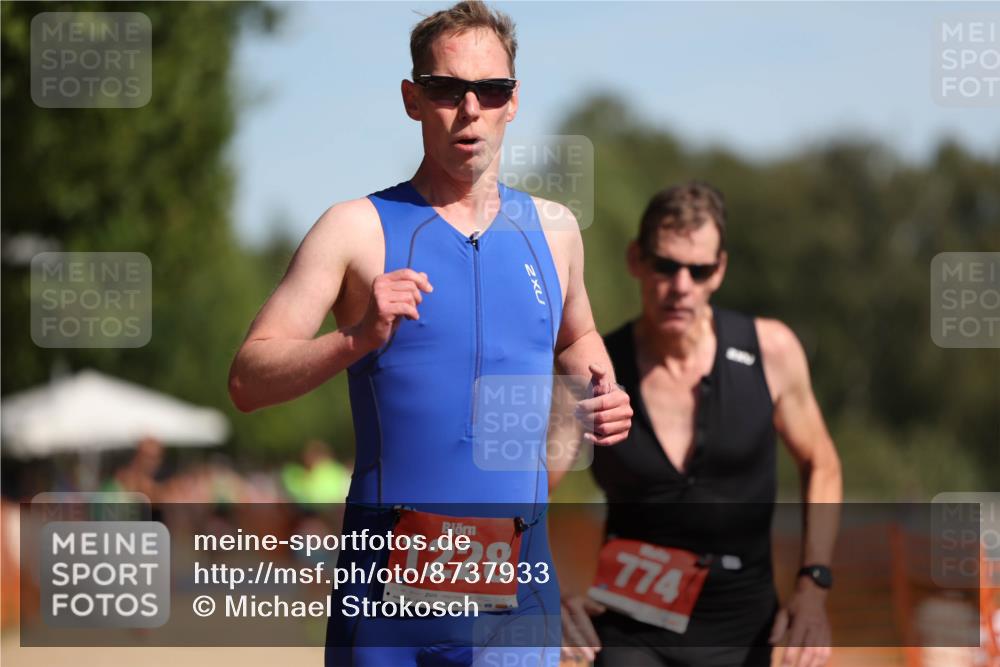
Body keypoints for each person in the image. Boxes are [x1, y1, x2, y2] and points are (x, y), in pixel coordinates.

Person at [226, 2, 632, 665]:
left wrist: (603, 389)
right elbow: (247, 377)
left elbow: (578, 337)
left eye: (490, 89)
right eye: (447, 89)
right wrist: (355, 337)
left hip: (516, 586)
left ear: (513, 101)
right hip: (390, 602)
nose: (469, 108)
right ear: (414, 99)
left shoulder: (555, 231)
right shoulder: (354, 228)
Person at [551, 182, 842, 667]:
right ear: (636, 260)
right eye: (665, 265)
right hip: (631, 629)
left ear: (719, 270)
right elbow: (525, 489)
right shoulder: (596, 370)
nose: (681, 285)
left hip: (749, 630)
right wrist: (548, 596)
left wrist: (813, 586)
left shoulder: (771, 351)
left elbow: (822, 461)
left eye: (698, 269)